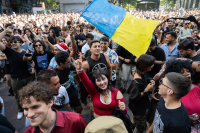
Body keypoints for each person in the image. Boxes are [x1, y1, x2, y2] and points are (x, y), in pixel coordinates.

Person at [19, 81, 87, 133]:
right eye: (25, 109)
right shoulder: (28, 132)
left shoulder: (75, 121)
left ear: (50, 102)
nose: (30, 114)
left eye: (35, 107)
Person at [0, 27, 32, 120]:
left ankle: (30, 108)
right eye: (12, 42)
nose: (13, 43)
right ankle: (20, 110)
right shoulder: (9, 52)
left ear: (21, 43)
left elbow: (31, 62)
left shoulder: (25, 52)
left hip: (28, 77)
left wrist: (32, 63)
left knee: (30, 94)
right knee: (18, 95)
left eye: (16, 41)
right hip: (16, 79)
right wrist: (5, 31)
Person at [127, 54, 155, 133]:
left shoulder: (140, 72)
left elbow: (144, 80)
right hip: (138, 108)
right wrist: (146, 90)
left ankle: (128, 127)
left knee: (136, 119)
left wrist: (149, 80)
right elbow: (135, 97)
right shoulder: (137, 81)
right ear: (146, 66)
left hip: (138, 107)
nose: (153, 65)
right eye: (151, 64)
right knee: (141, 127)